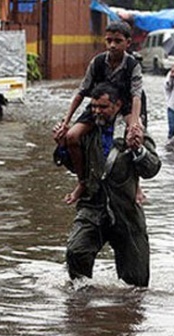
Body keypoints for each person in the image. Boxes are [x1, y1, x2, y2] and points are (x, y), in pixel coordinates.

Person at [52, 83, 161, 287]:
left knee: (136, 282)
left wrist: (138, 150)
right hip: (92, 206)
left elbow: (152, 168)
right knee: (76, 251)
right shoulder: (86, 131)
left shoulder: (133, 132)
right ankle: (81, 305)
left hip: (125, 211)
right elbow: (75, 167)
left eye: (102, 107)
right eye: (93, 107)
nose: (96, 112)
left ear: (117, 105)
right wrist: (62, 146)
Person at [54, 21, 146, 205]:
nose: (112, 45)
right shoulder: (97, 62)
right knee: (71, 137)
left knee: (135, 137)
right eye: (109, 40)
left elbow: (136, 96)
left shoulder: (132, 65)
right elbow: (81, 92)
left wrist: (134, 124)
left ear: (128, 43)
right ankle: (82, 182)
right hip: (100, 106)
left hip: (125, 105)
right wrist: (66, 121)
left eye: (118, 41)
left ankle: (136, 184)